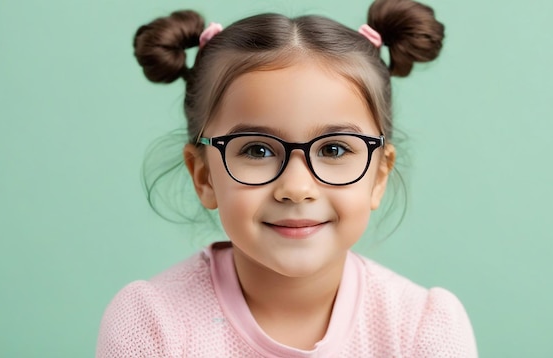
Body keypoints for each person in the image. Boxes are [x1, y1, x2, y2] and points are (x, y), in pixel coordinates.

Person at [96, 0, 478, 356]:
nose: (296, 188)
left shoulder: (423, 329)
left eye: (333, 150)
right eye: (257, 150)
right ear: (204, 175)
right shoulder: (151, 325)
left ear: (378, 175)